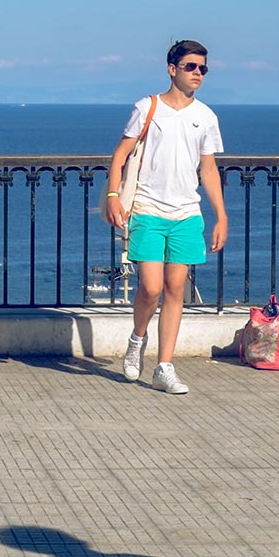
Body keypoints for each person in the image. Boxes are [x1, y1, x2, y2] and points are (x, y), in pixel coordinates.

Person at [104, 40, 228, 395]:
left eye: (203, 68)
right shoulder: (148, 108)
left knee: (176, 289)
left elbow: (208, 169)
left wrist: (220, 215)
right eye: (191, 67)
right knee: (151, 287)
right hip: (147, 209)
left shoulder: (205, 117)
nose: (198, 74)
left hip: (187, 214)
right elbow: (121, 155)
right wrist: (114, 196)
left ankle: (164, 366)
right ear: (172, 68)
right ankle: (136, 339)